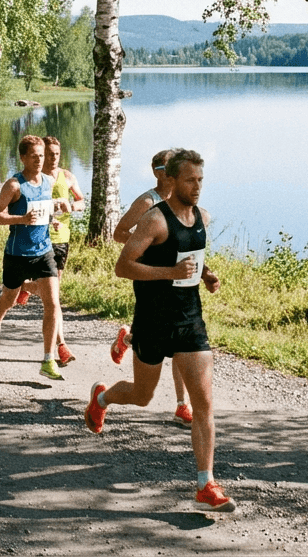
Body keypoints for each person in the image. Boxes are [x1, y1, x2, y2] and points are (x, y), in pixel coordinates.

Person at [84, 149, 234, 512]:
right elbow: (124, 266)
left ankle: (205, 484)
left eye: (201, 180)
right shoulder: (155, 220)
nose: (197, 187)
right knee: (142, 395)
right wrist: (169, 274)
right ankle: (101, 399)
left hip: (190, 322)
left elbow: (190, 257)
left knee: (204, 404)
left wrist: (206, 274)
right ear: (172, 180)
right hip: (152, 321)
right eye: (190, 180)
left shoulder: (200, 217)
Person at [110, 148, 194, 426]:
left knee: (180, 340)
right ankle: (130, 339)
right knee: (162, 334)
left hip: (179, 280)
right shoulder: (148, 201)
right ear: (160, 173)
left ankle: (183, 405)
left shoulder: (183, 203)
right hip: (150, 279)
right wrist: (149, 247)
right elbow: (119, 232)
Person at [0, 135, 72, 380]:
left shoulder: (47, 181)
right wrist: (20, 219)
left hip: (44, 251)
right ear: (22, 157)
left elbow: (42, 210)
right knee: (8, 299)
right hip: (17, 254)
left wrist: (52, 219)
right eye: (34, 156)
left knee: (53, 303)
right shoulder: (14, 185)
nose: (39, 160)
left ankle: (47, 359)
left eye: (41, 156)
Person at [16, 136, 83, 367]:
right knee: (52, 300)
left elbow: (81, 201)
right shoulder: (35, 180)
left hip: (62, 239)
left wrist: (70, 205)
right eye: (49, 153)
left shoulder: (67, 176)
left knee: (52, 295)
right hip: (38, 240)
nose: (53, 158)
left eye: (57, 153)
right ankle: (61, 346)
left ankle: (23, 286)